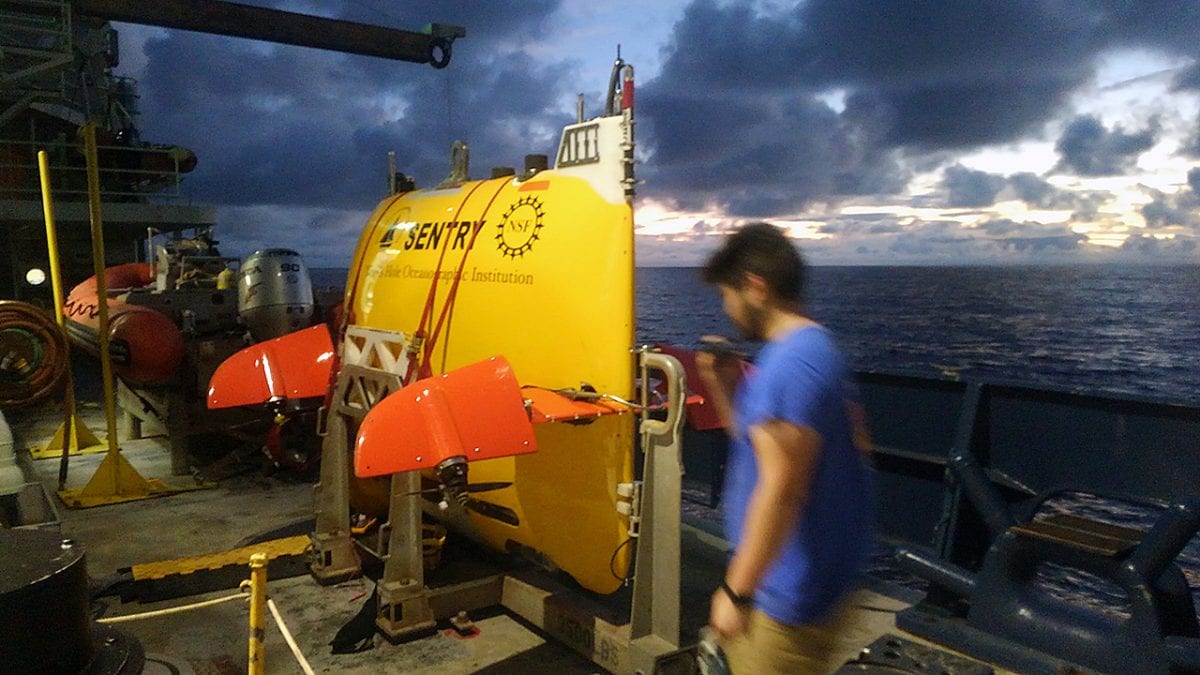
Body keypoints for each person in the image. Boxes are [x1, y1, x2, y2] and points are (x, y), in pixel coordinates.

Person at [696, 222, 876, 674]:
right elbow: (772, 457)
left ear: (756, 287)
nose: (728, 309)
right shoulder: (817, 348)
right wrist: (725, 386)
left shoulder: (788, 368)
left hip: (781, 601)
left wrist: (736, 591)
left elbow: (781, 490)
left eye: (727, 295)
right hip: (812, 583)